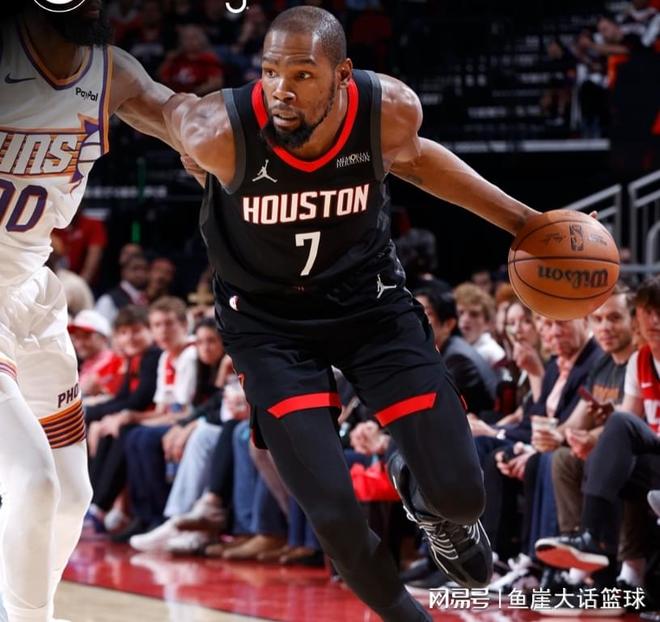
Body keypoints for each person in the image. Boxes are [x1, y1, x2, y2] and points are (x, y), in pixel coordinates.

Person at [163, 6, 542, 620]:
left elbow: (419, 160)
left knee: (462, 494)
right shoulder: (220, 130)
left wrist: (523, 222)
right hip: (268, 327)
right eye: (270, 72)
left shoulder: (384, 111)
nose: (281, 89)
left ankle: (423, 495)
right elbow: (158, 105)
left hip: (370, 305)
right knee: (335, 516)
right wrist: (109, 83)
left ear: (342, 74)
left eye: (302, 74)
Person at [0, 1, 182, 619]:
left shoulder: (113, 72)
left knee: (72, 494)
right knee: (32, 481)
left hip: (34, 291)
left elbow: (177, 112)